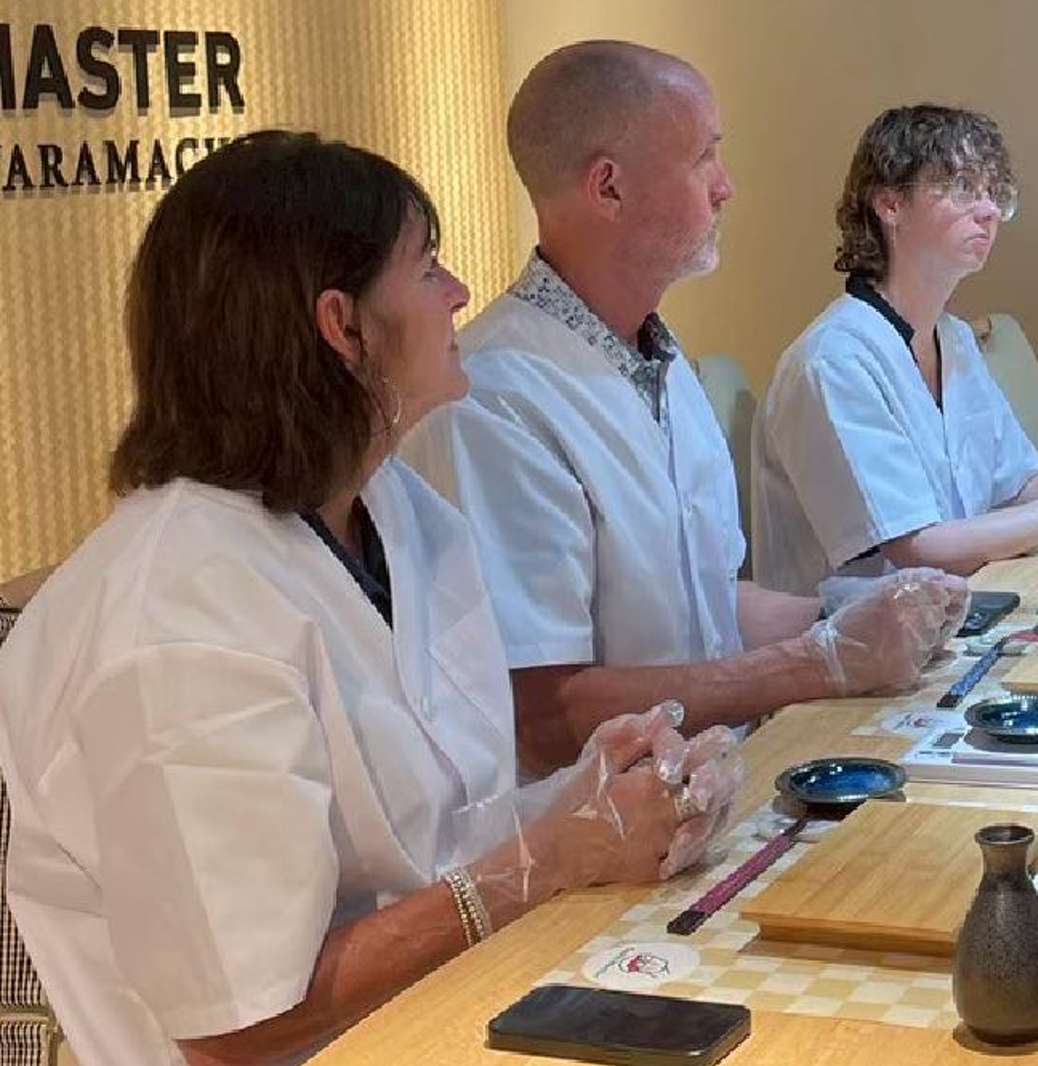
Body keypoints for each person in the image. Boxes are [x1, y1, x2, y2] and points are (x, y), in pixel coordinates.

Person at [0, 131, 741, 1066]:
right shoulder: (174, 612)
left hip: (454, 1013)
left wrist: (598, 792)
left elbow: (434, 834)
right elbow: (241, 1019)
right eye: (428, 269)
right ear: (342, 327)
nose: (460, 294)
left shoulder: (399, 514)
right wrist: (549, 858)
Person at [401, 43, 969, 770]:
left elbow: (706, 603)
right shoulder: (496, 397)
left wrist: (864, 614)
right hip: (596, 840)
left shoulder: (656, 357)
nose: (725, 187)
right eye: (704, 158)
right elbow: (541, 713)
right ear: (608, 188)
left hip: (711, 785)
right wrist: (819, 664)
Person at [750, 104, 1038, 595]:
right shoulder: (834, 361)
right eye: (962, 189)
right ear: (889, 205)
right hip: (860, 645)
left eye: (994, 193)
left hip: (961, 611)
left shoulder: (952, 338)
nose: (989, 210)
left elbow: (1017, 486)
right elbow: (917, 546)